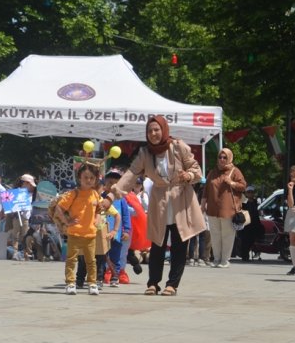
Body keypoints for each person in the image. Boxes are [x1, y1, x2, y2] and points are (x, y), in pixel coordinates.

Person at [106, 115, 206, 296]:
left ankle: (172, 284)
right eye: (150, 131)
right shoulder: (145, 153)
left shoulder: (178, 146)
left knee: (179, 244)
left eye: (156, 130)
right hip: (159, 200)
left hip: (180, 199)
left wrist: (188, 176)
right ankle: (153, 283)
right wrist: (111, 196)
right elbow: (130, 175)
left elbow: (196, 169)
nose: (153, 134)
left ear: (164, 130)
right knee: (157, 244)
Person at [55, 163, 113, 295]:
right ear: (79, 178)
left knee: (91, 261)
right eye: (85, 177)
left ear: (96, 180)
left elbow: (99, 208)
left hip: (90, 234)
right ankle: (70, 283)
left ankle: (92, 283)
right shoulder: (73, 194)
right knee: (71, 259)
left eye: (92, 178)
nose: (88, 180)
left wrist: (97, 218)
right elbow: (59, 208)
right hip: (74, 233)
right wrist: (67, 221)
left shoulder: (95, 194)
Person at [202, 148, 247, 268]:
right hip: (212, 208)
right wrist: (202, 205)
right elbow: (206, 190)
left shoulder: (235, 171)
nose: (222, 159)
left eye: (224, 157)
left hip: (228, 209)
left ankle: (225, 260)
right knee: (215, 235)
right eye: (220, 157)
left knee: (227, 235)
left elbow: (243, 186)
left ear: (230, 158)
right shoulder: (212, 172)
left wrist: (231, 183)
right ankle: (216, 259)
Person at [102, 169, 131, 286]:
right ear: (105, 184)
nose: (112, 186)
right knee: (102, 255)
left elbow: (125, 215)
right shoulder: (101, 197)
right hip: (103, 233)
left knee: (116, 255)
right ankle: (101, 274)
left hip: (117, 233)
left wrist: (126, 230)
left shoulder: (121, 200)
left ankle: (115, 276)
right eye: (109, 182)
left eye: (116, 183)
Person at [237, 186, 263, 262]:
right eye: (248, 192)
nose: (250, 194)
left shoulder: (256, 202)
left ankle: (252, 252)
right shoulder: (243, 202)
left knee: (252, 240)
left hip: (254, 224)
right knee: (244, 241)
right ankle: (245, 256)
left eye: (252, 192)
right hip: (245, 225)